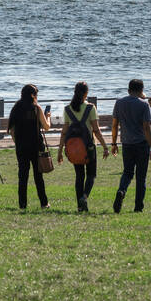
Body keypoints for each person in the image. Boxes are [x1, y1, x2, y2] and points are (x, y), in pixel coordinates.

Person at [57, 82, 109, 213]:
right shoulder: (90, 108)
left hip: (74, 148)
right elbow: (96, 131)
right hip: (89, 147)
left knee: (79, 176)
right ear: (86, 93)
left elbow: (64, 132)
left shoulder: (68, 109)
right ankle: (84, 197)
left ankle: (79, 207)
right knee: (91, 175)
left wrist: (60, 151)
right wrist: (105, 147)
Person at [111, 78, 151, 213]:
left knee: (127, 173)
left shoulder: (119, 103)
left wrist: (114, 143)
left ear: (128, 90)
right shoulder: (143, 105)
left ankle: (122, 191)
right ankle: (138, 206)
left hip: (127, 143)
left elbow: (114, 125)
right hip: (141, 144)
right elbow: (147, 127)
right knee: (141, 176)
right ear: (142, 91)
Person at [7, 84, 50, 211]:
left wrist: (18, 143)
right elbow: (47, 127)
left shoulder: (16, 108)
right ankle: (44, 203)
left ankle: (22, 204)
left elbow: (12, 130)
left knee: (23, 176)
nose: (37, 97)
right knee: (38, 177)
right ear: (32, 95)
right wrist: (48, 116)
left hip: (21, 147)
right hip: (36, 146)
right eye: (36, 94)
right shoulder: (36, 108)